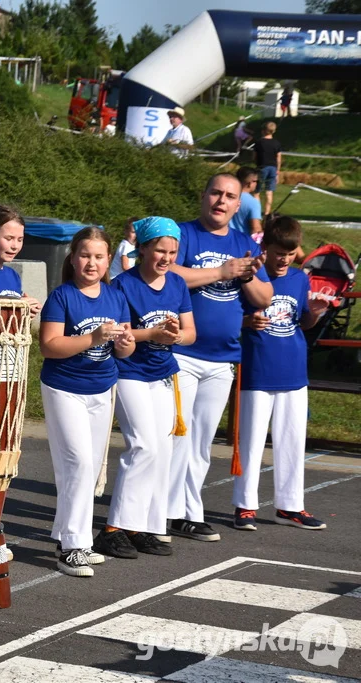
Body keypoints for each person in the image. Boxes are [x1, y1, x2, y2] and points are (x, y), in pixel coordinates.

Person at [166, 173, 273, 543]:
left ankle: (189, 513)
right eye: (216, 192)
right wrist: (221, 271)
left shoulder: (244, 242)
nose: (221, 201)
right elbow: (169, 273)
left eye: (230, 196)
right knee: (177, 437)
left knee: (202, 442)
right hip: (182, 352)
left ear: (238, 203)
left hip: (222, 358)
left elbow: (264, 298)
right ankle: (165, 511)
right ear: (204, 194)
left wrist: (245, 276)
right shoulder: (183, 234)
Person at [94, 217, 196, 560]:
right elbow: (119, 333)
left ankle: (144, 526)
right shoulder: (124, 284)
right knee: (143, 447)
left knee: (163, 452)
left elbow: (190, 332)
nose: (166, 257)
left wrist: (176, 335)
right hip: (130, 372)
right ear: (143, 249)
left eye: (173, 251)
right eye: (160, 250)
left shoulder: (178, 284)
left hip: (163, 374)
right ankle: (113, 529)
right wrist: (152, 334)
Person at [39, 227, 135, 577]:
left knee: (88, 468)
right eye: (84, 255)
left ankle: (68, 536)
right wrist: (92, 337)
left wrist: (124, 342)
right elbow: (49, 346)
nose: (91, 262)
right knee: (78, 464)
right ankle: (73, 546)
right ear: (73, 258)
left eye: (98, 256)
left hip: (101, 388)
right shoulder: (61, 296)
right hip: (64, 388)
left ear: (108, 259)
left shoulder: (115, 296)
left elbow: (125, 347)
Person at [234, 216, 328, 532]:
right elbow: (230, 318)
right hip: (257, 371)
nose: (283, 259)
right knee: (251, 442)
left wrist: (314, 314)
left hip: (293, 370)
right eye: (278, 252)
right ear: (266, 247)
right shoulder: (249, 278)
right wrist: (246, 324)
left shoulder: (301, 279)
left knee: (292, 441)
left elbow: (302, 322)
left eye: (289, 253)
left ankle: (289, 507)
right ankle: (244, 505)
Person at [254, 122, 282, 217]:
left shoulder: (259, 142)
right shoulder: (277, 143)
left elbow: (254, 156)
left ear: (264, 130)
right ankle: (267, 213)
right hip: (273, 168)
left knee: (256, 191)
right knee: (269, 192)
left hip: (262, 167)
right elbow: (278, 158)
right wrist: (277, 171)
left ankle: (256, 212)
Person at [230, 166, 263, 243]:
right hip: (242, 243)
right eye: (256, 181)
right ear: (249, 183)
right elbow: (255, 228)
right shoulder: (253, 202)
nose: (256, 184)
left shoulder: (228, 197)